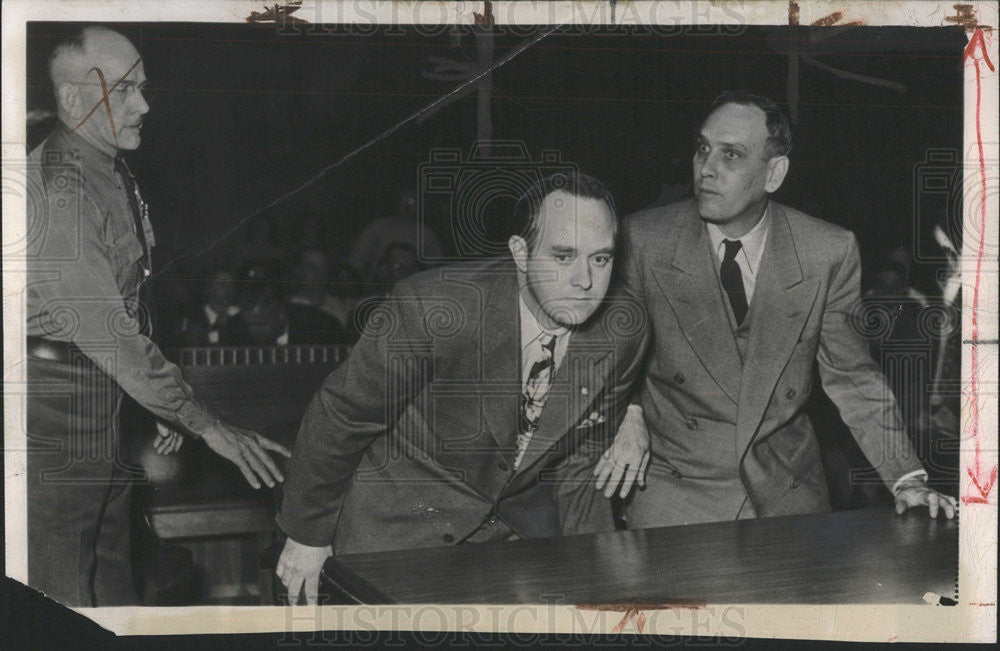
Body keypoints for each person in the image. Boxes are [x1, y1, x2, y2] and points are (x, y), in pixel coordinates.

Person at [276, 172, 649, 604]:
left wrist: (598, 575)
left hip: (519, 535)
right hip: (401, 531)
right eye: (563, 256)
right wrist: (307, 537)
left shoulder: (624, 330)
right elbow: (341, 416)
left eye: (600, 259)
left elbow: (582, 460)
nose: (585, 281)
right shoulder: (434, 308)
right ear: (520, 252)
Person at [24, 26, 290, 606]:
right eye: (124, 90)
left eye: (142, 87)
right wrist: (205, 422)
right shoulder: (62, 190)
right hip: (53, 411)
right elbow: (110, 334)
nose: (144, 104)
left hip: (99, 397)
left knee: (111, 576)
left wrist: (153, 403)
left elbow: (129, 302)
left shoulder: (105, 166)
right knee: (59, 589)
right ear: (74, 99)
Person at [605, 91, 956, 527]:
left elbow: (851, 376)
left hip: (786, 498)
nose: (705, 169)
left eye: (730, 155)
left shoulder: (826, 250)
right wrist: (632, 412)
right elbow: (608, 358)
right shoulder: (644, 239)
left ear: (774, 173)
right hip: (676, 496)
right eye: (703, 148)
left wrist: (906, 478)